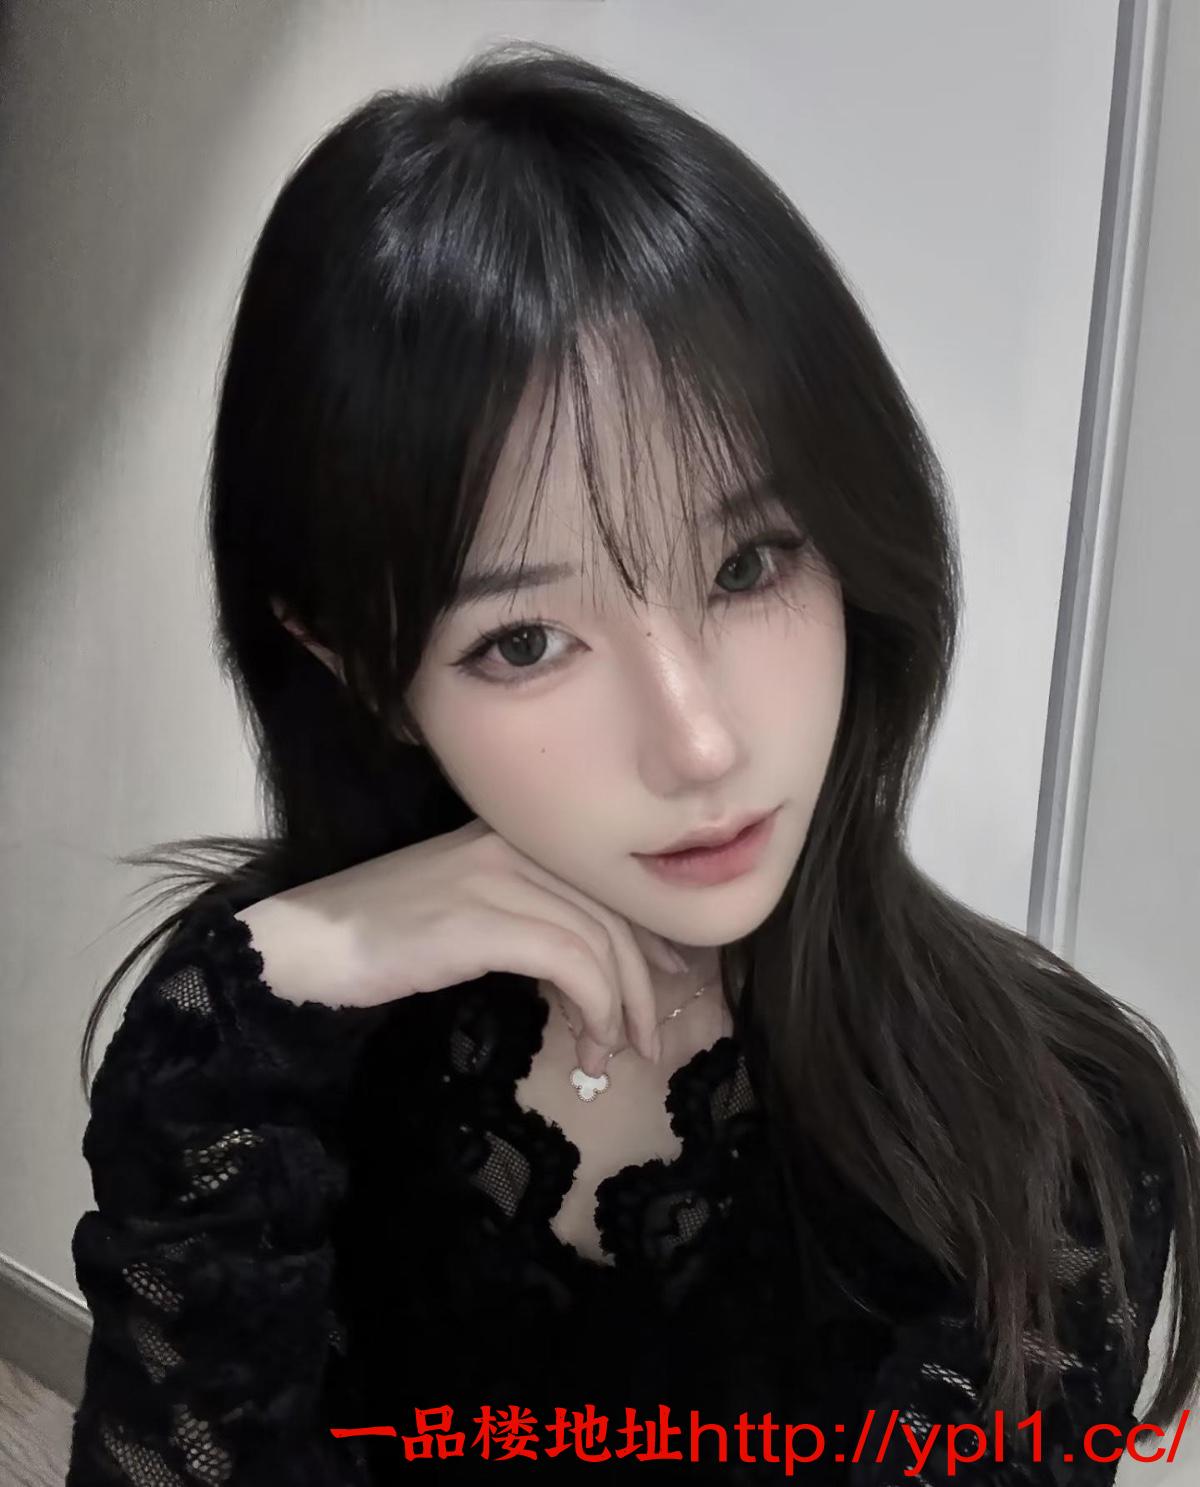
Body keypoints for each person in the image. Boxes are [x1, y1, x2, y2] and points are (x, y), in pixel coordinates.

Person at [66, 39, 1198, 1486]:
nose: (700, 741)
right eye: (526, 640)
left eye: (749, 563)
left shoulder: (1046, 1126)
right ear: (361, 669)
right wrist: (252, 1005)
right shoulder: (256, 1050)